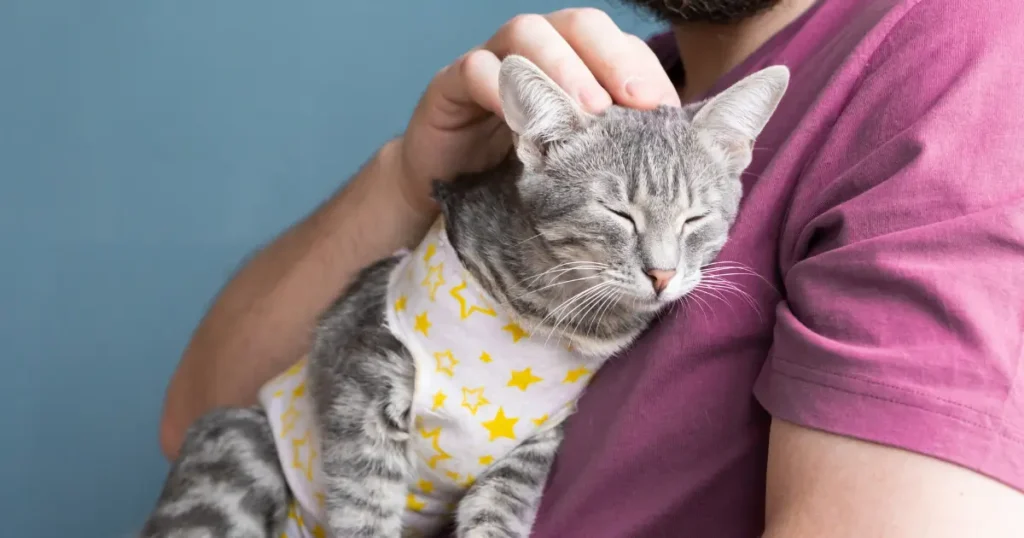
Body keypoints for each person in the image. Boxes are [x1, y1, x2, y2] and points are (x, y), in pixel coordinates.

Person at [158, 0, 1024, 535]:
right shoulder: (625, 91)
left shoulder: (954, 61)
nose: (659, 266)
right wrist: (411, 179)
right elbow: (197, 418)